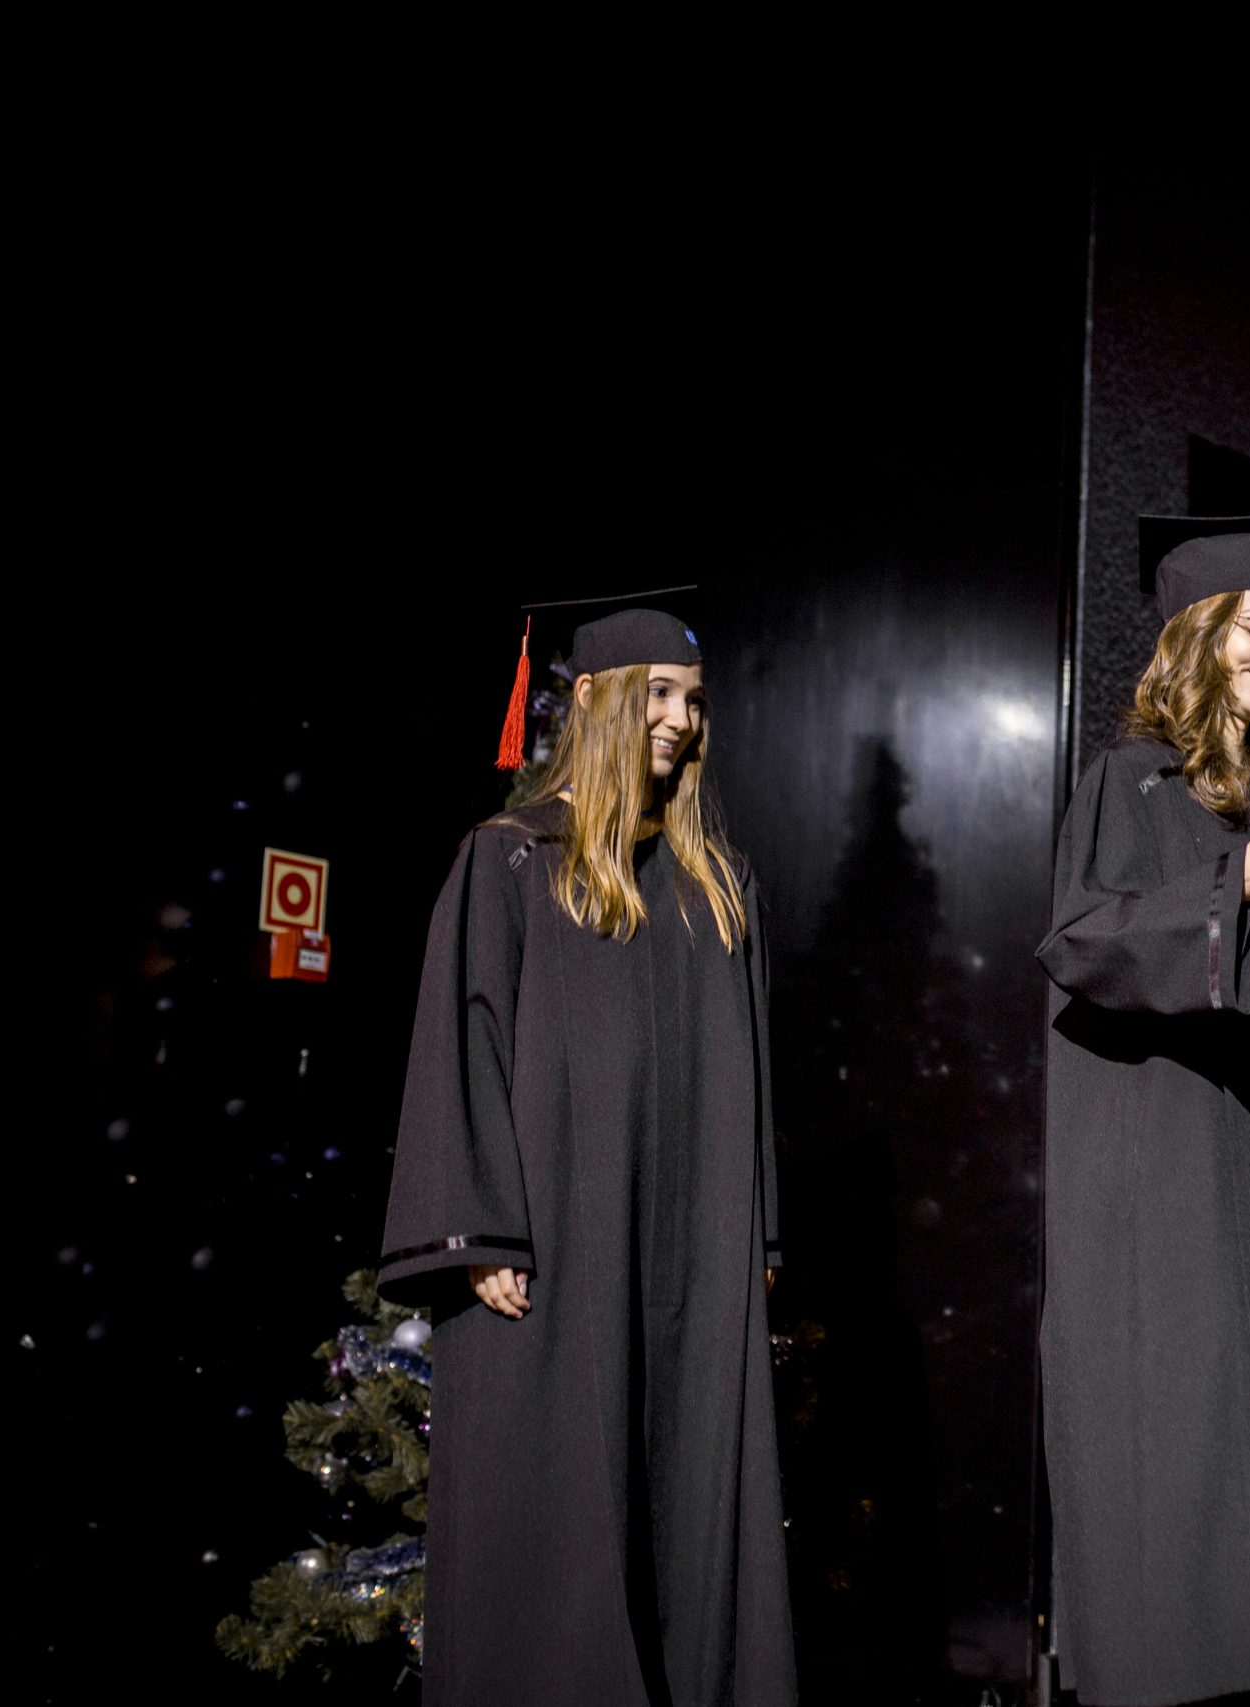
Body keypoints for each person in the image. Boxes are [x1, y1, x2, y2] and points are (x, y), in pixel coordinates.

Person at [378, 606, 795, 1707]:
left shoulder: (717, 884)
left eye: (693, 700)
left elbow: (750, 1080)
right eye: (658, 693)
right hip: (550, 1252)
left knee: (688, 1520)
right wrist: (481, 1230)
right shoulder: (512, 861)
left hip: (691, 1257)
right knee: (554, 1520)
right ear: (600, 701)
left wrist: (753, 1240)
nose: (681, 719)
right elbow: (463, 1040)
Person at [1037, 516, 1250, 1706]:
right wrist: (1238, 884)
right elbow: (1083, 941)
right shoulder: (1131, 779)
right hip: (1167, 1165)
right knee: (1180, 1445)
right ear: (1197, 633)